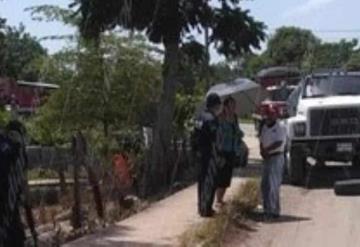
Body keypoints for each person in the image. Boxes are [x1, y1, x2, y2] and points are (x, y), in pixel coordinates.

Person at [196, 93, 222, 217]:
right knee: (209, 181)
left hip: (199, 154)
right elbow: (215, 138)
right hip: (210, 154)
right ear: (215, 105)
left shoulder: (199, 117)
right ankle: (206, 209)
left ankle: (201, 207)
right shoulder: (211, 119)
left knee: (201, 181)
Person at [259, 105, 286, 220]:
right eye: (268, 113)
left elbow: (279, 142)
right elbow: (261, 140)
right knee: (264, 185)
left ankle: (274, 210)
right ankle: (266, 208)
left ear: (276, 114)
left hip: (276, 157)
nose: (270, 115)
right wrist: (262, 150)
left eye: (272, 113)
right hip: (266, 158)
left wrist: (267, 150)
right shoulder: (264, 126)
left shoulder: (280, 126)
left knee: (274, 185)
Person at [216, 96, 244, 207]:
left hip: (232, 150)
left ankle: (221, 198)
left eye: (234, 105)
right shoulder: (220, 118)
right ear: (225, 106)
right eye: (231, 105)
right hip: (222, 150)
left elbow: (238, 131)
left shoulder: (235, 118)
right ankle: (217, 199)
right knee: (220, 176)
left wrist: (239, 134)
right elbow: (218, 134)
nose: (233, 108)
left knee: (227, 177)